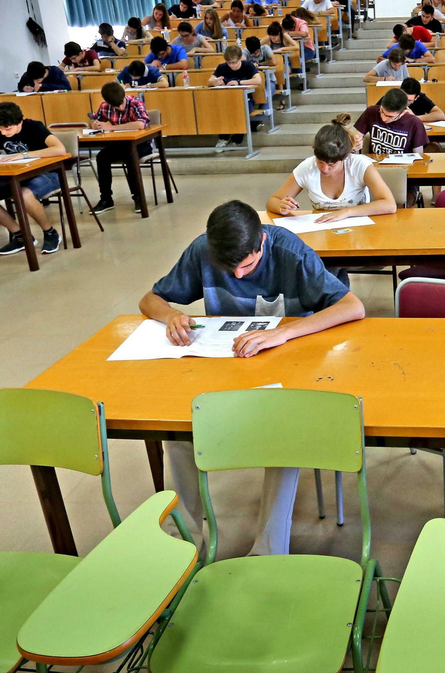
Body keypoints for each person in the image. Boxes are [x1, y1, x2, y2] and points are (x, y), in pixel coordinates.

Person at [145, 201, 366, 554]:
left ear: (262, 242)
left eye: (247, 265)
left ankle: (267, 547)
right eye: (227, 269)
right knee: (179, 429)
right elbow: (151, 298)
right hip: (231, 364)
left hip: (290, 366)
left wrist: (283, 333)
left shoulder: (292, 251)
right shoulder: (204, 248)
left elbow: (353, 307)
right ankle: (184, 539)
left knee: (282, 431)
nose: (237, 277)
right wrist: (170, 314)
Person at [0, 101, 65, 257]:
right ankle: (21, 236)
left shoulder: (34, 127)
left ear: (19, 122)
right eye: (0, 129)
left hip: (48, 173)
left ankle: (50, 233)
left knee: (24, 195)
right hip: (17, 175)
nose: (3, 133)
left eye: (8, 129)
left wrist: (23, 155)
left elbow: (60, 149)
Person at [268, 120, 398, 227]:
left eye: (331, 165)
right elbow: (272, 201)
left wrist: (346, 212)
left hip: (359, 230)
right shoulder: (307, 167)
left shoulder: (359, 165)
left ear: (345, 156)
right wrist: (281, 206)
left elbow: (389, 204)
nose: (324, 169)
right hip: (321, 230)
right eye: (320, 162)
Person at [88, 80, 151, 214]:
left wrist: (112, 128)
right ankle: (106, 199)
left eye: (121, 103)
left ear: (124, 96)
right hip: (120, 145)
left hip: (141, 144)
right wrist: (95, 124)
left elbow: (140, 124)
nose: (121, 108)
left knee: (130, 157)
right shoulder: (105, 106)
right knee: (101, 157)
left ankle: (138, 197)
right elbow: (96, 120)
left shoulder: (135, 103)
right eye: (116, 106)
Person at [350, 90, 429, 155]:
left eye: (390, 116)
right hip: (375, 165)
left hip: (402, 168)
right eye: (381, 111)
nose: (383, 119)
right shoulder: (371, 111)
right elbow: (354, 137)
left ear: (403, 112)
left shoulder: (414, 123)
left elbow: (418, 155)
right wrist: (354, 143)